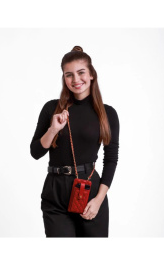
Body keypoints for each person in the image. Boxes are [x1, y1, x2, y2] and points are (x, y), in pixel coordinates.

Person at [30, 46, 120, 238]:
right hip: (55, 191)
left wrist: (99, 199)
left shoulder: (107, 113)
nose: (76, 79)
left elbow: (111, 159)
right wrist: (53, 129)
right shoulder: (51, 109)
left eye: (81, 72)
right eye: (69, 75)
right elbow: (35, 152)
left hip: (89, 191)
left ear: (92, 74)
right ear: (64, 78)